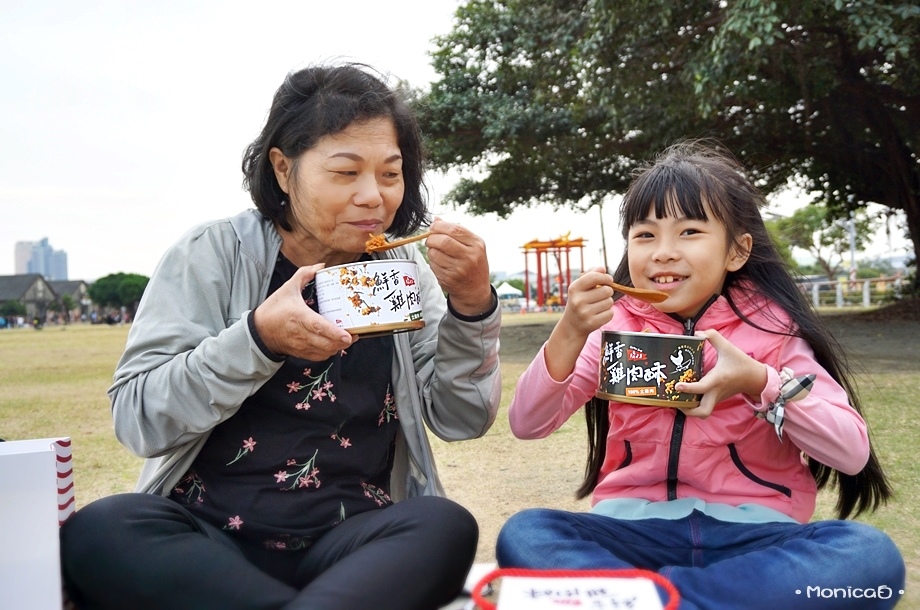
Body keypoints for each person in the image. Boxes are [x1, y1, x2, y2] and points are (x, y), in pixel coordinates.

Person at [60, 63, 502, 610]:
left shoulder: (404, 268)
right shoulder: (212, 253)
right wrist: (256, 339)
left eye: (391, 174)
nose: (374, 197)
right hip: (208, 536)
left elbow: (461, 418)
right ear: (282, 168)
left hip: (352, 541)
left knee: (444, 525)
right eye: (346, 172)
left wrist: (473, 308)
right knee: (104, 527)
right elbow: (138, 417)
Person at [495, 141, 905, 609]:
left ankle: (653, 601)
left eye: (689, 231)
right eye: (644, 235)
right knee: (527, 534)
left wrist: (760, 382)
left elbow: (851, 453)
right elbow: (527, 424)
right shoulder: (613, 331)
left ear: (737, 251)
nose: (663, 253)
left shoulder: (774, 333)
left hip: (756, 540)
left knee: (871, 558)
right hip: (631, 534)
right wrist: (568, 331)